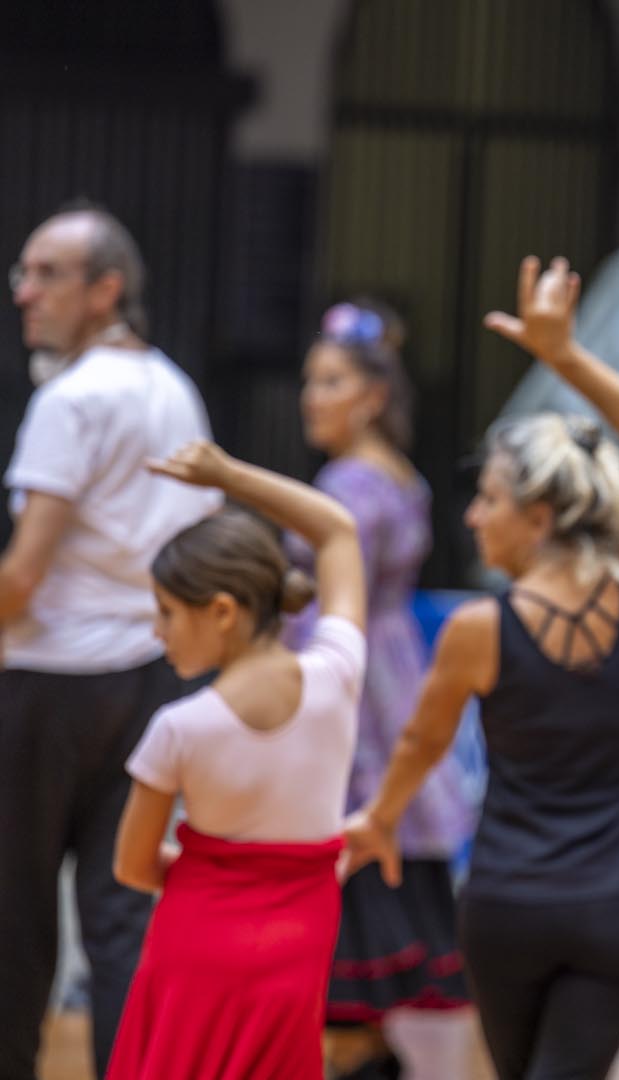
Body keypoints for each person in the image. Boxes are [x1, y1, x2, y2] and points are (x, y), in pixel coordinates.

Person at [343, 253, 619, 1080]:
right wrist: (563, 357)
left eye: (488, 498)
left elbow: (421, 743)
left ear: (537, 517)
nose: (473, 516)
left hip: (511, 906)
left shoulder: (478, 629)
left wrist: (380, 818)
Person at [0, 206, 218, 1077]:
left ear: (106, 289)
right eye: (23, 273)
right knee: (122, 912)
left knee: (14, 917)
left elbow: (22, 576)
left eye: (47, 274)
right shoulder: (175, 389)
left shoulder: (72, 399)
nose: (25, 292)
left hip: (51, 684)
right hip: (155, 677)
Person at [105, 441, 366, 1079]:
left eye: (167, 612)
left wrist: (220, 880)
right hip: (301, 939)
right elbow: (337, 531)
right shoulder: (340, 673)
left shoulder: (178, 729)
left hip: (197, 942)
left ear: (222, 611)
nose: (157, 632)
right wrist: (227, 475)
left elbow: (133, 866)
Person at [293, 300, 475, 1078]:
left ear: (371, 395)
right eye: (311, 381)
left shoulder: (347, 484)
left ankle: (355, 1048)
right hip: (395, 671)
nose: (312, 397)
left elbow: (331, 607)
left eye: (329, 381)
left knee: (347, 848)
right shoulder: (404, 477)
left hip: (351, 679)